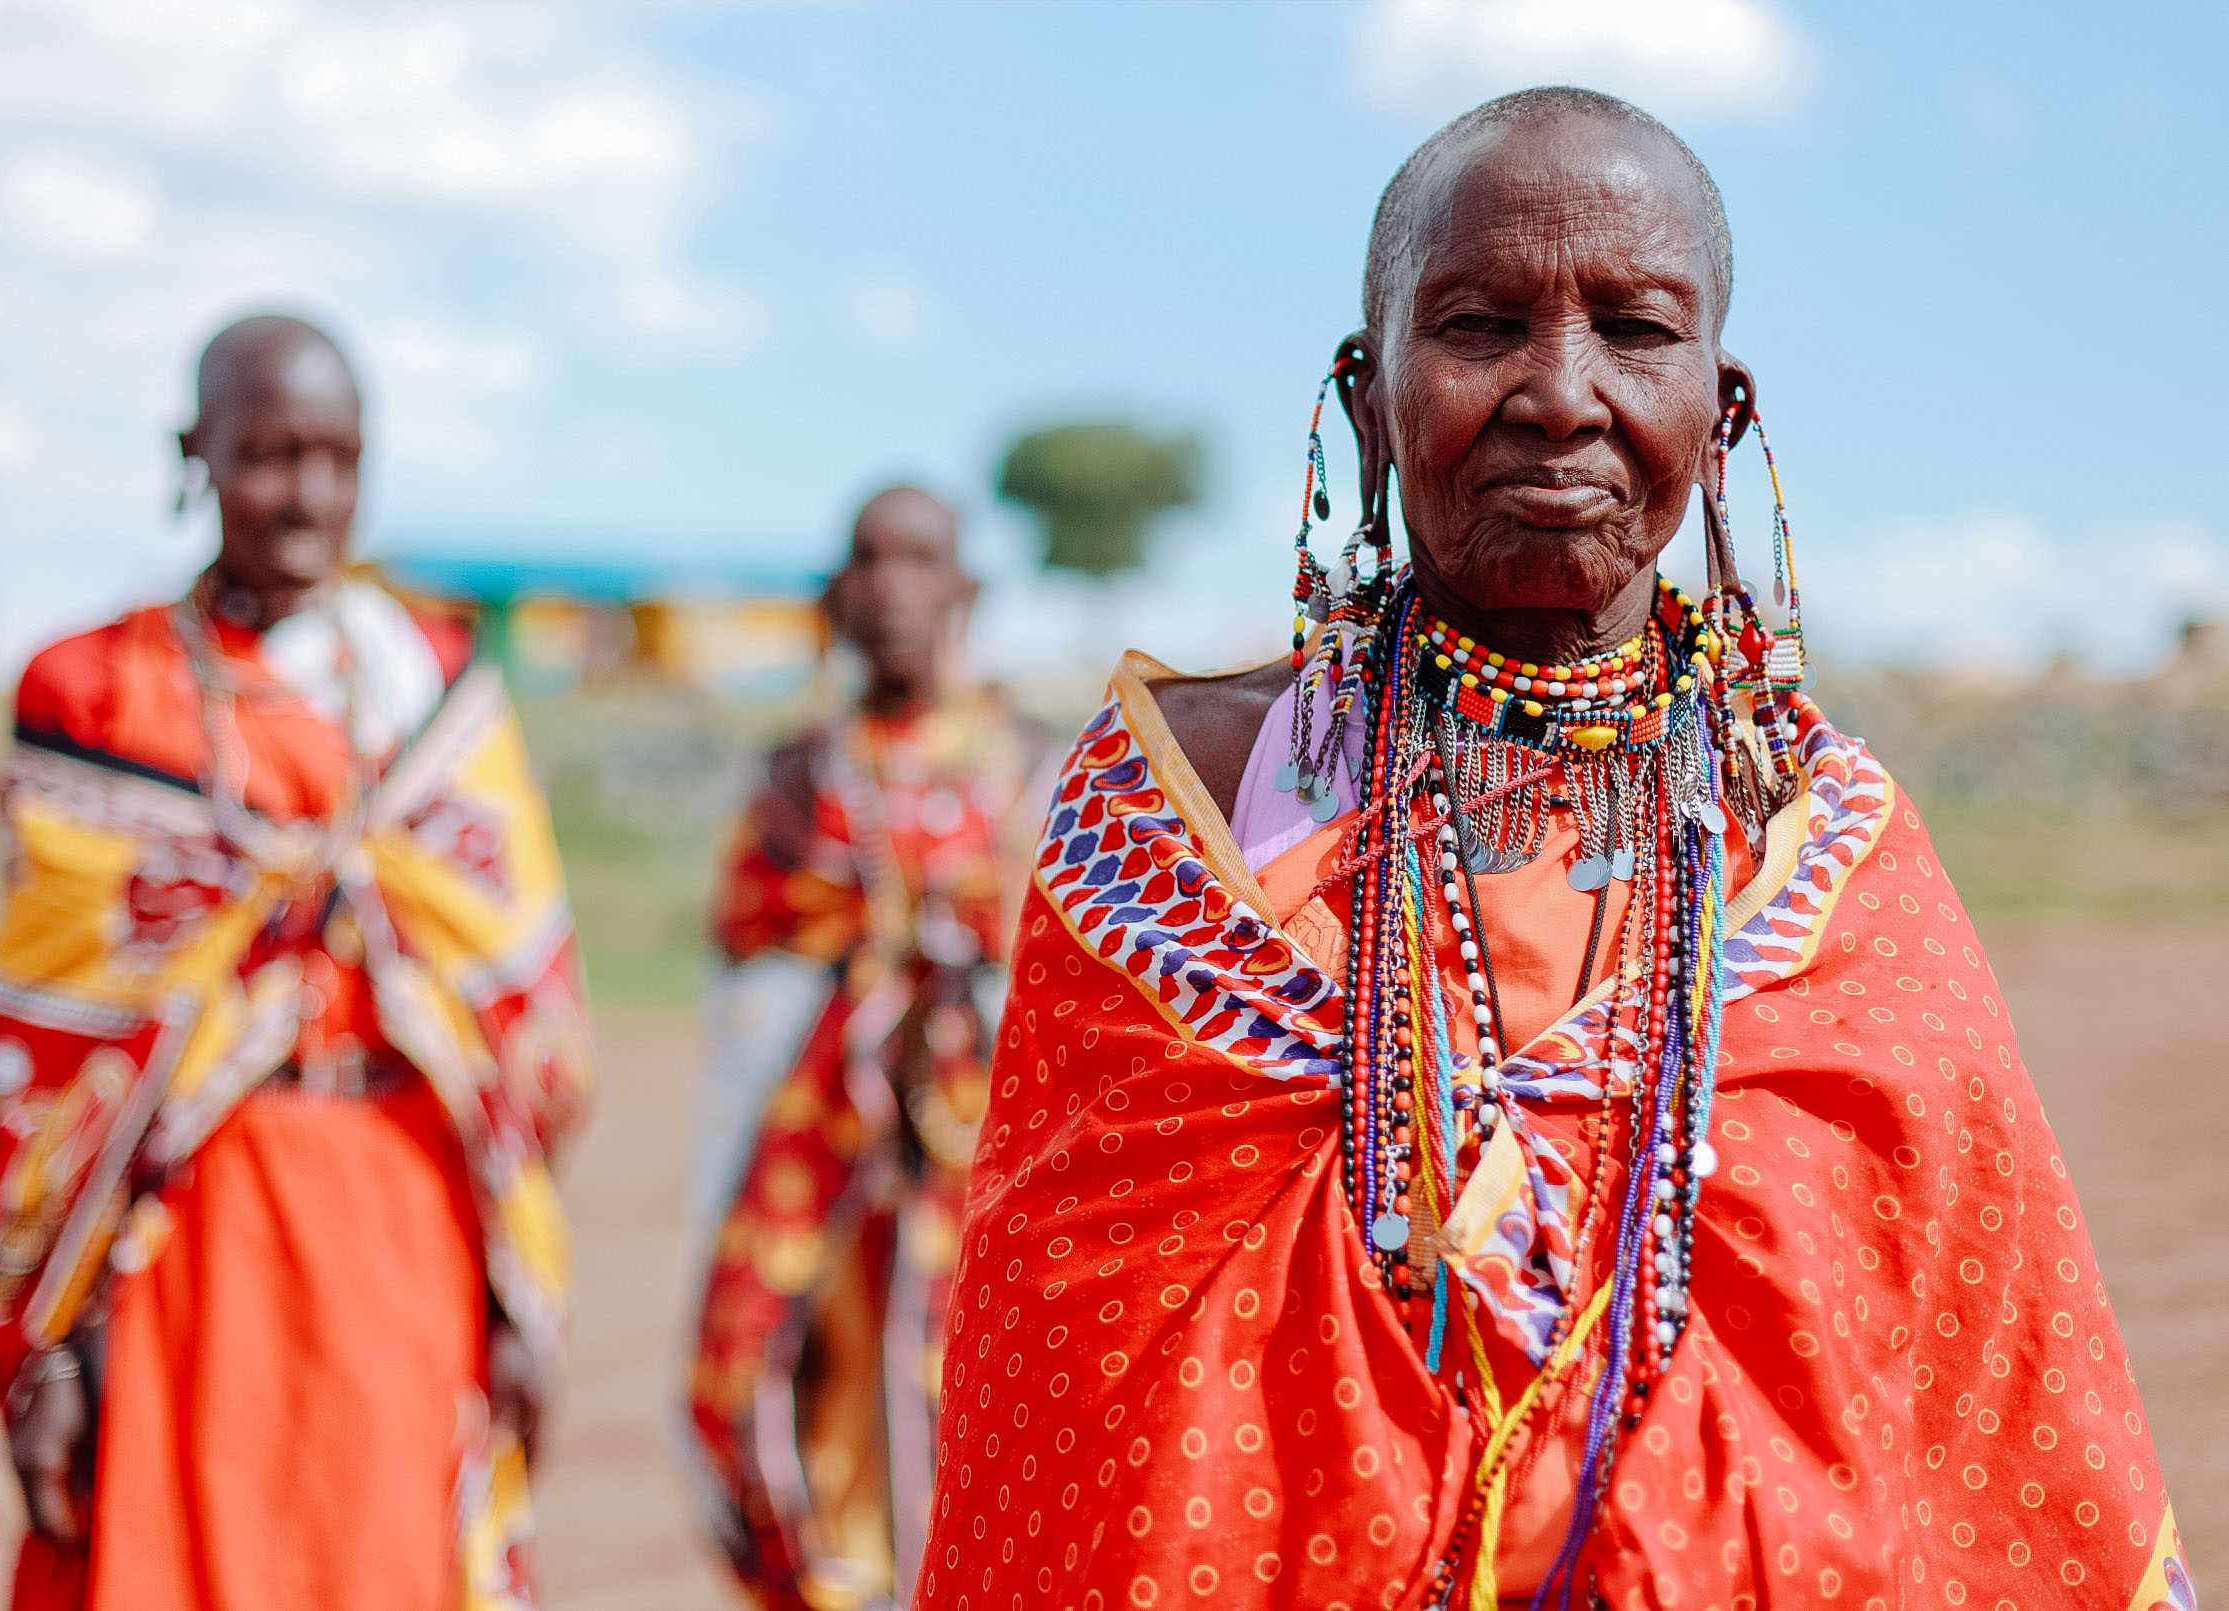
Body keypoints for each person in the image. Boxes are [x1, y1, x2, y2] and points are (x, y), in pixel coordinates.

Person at [915, 90, 2192, 1611]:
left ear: (1720, 414)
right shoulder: (1177, 803)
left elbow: (1984, 1376)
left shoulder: (1828, 844)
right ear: (1369, 397)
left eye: (1634, 331)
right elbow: (1073, 1405)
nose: (1558, 393)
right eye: (1476, 326)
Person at [0, 314, 593, 1611]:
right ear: (192, 455)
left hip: (407, 1215)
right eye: (267, 454)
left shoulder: (438, 685)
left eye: (340, 457)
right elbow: (53, 1057)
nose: (308, 495)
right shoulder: (97, 693)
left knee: (391, 1559)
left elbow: (525, 1020)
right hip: (195, 1239)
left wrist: (513, 1293)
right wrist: (55, 1351)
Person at [685, 487, 1054, 1611]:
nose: (891, 587)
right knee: (806, 1406)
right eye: (867, 562)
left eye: (919, 560)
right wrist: (861, 1012)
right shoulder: (796, 783)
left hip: (999, 1194)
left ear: (965, 591)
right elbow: (744, 974)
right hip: (826, 1194)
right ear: (836, 596)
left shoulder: (1041, 773)